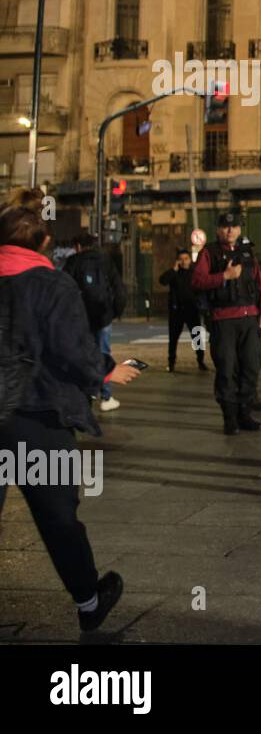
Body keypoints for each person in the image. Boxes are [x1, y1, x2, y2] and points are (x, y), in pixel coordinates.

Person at [0, 189, 141, 632]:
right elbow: (72, 350)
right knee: (58, 516)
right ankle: (88, 600)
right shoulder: (50, 282)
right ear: (44, 245)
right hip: (37, 415)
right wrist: (106, 370)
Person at [190, 211, 261, 435]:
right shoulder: (210, 253)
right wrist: (223, 277)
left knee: (251, 366)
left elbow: (259, 284)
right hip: (223, 319)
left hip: (249, 318)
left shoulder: (247, 253)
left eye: (234, 227)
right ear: (218, 230)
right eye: (226, 227)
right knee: (226, 369)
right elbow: (197, 281)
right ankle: (230, 417)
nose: (230, 230)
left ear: (239, 230)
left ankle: (245, 412)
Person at [63, 233, 126, 413]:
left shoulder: (72, 262)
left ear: (78, 246)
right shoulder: (105, 260)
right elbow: (119, 288)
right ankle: (106, 396)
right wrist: (115, 312)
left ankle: (87, 393)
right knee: (104, 352)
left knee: (83, 353)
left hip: (81, 318)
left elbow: (63, 290)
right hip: (103, 316)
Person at [160, 248, 207, 371]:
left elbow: (201, 288)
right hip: (177, 310)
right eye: (181, 259)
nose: (184, 261)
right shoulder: (174, 273)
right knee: (173, 338)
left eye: (186, 259)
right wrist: (173, 270)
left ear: (190, 260)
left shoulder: (194, 272)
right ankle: (171, 363)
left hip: (192, 309)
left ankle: (201, 360)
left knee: (197, 336)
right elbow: (163, 281)